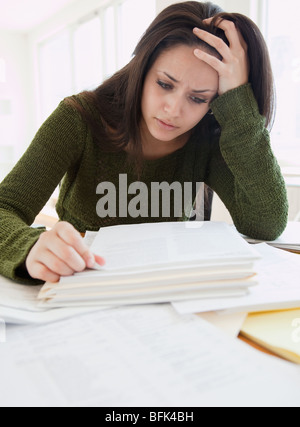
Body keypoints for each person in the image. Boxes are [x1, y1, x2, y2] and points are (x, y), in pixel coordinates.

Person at [0, 1, 288, 285]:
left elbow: (265, 223)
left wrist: (238, 101)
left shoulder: (207, 141)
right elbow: (5, 207)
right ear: (142, 68)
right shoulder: (79, 119)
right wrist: (30, 247)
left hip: (164, 296)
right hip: (82, 292)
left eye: (198, 98)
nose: (173, 110)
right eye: (164, 84)